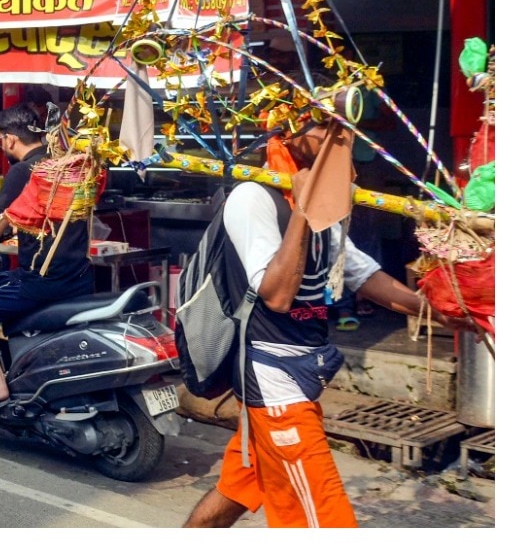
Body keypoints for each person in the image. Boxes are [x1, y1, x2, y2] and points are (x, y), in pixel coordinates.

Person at [182, 116, 467, 528]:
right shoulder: (253, 198)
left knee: (240, 486)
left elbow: (365, 276)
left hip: (304, 373)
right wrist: (302, 211)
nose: (339, 141)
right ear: (289, 133)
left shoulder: (323, 208)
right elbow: (277, 295)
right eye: (324, 129)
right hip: (272, 379)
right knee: (324, 519)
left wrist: (442, 311)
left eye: (343, 132)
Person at [0, 103, 93, 406]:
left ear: (8, 139)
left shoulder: (25, 172)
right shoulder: (61, 166)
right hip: (79, 276)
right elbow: (31, 218)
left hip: (42, 280)